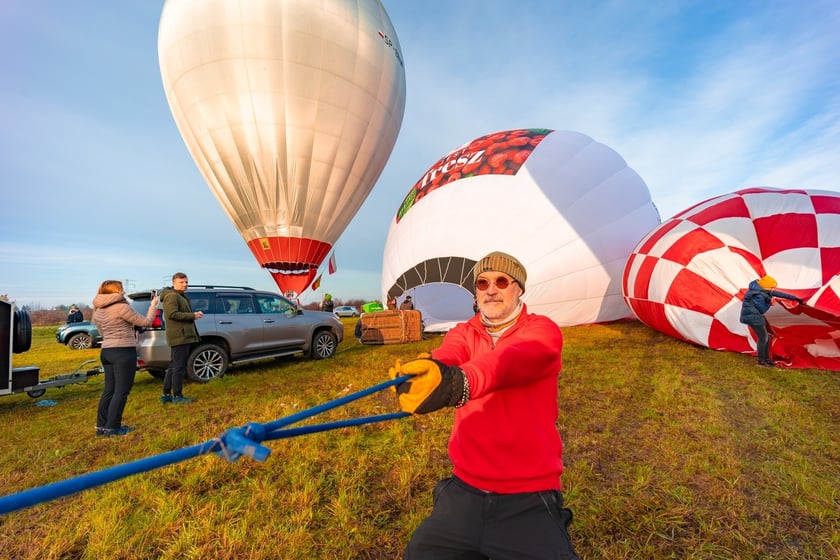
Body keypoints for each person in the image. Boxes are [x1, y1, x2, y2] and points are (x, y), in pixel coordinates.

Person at [388, 251, 578, 559]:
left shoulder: (542, 331)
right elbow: (450, 353)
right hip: (465, 488)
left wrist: (458, 383)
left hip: (528, 494)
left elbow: (506, 362)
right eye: (482, 283)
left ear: (519, 289)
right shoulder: (463, 332)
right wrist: (428, 368)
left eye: (501, 282)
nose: (491, 290)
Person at [92, 280, 159, 436]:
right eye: (121, 288)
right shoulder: (122, 307)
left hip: (106, 351)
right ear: (116, 290)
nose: (123, 290)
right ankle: (113, 427)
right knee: (121, 391)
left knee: (109, 390)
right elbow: (147, 322)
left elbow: (102, 333)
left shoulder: (98, 309)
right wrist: (153, 305)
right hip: (123, 351)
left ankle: (101, 426)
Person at [739, 275, 803, 367]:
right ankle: (761, 361)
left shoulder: (760, 289)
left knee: (766, 338)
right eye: (772, 287)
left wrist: (794, 298)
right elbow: (762, 310)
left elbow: (777, 293)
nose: (773, 289)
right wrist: (771, 303)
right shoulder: (758, 295)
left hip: (755, 317)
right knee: (763, 338)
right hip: (753, 317)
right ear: (766, 287)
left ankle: (767, 359)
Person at [160, 272, 203, 403]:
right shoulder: (172, 296)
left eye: (186, 282)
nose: (185, 284)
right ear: (174, 283)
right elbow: (172, 314)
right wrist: (193, 315)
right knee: (179, 366)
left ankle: (166, 394)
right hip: (180, 335)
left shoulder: (180, 295)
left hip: (182, 335)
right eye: (181, 282)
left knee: (174, 365)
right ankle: (177, 396)